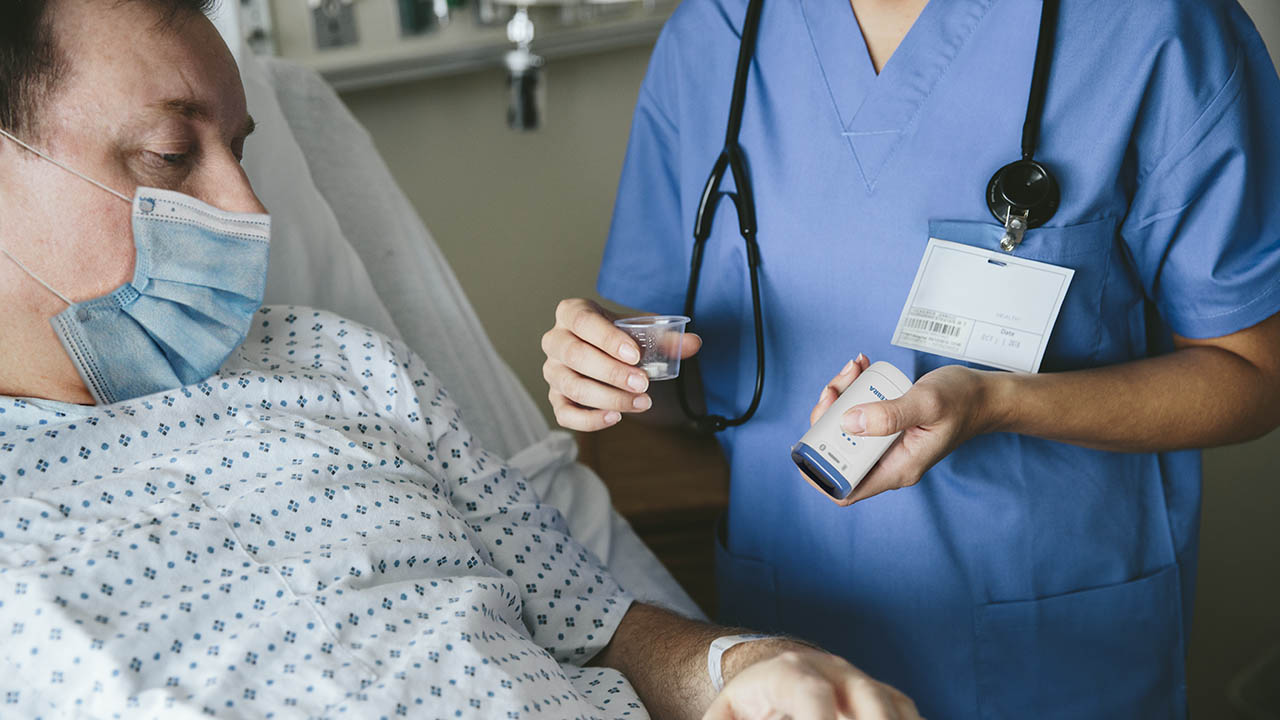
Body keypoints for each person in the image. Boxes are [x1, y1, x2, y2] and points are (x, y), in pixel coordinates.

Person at [0, 1, 927, 718]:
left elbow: (606, 632)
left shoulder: (336, 361)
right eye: (169, 155)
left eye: (240, 152)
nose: (247, 211)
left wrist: (753, 666)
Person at [541, 0, 1280, 716]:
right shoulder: (718, 31)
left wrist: (997, 403)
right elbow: (682, 378)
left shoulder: (1155, 25)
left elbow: (1253, 372)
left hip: (1049, 655)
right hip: (790, 658)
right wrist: (610, 366)